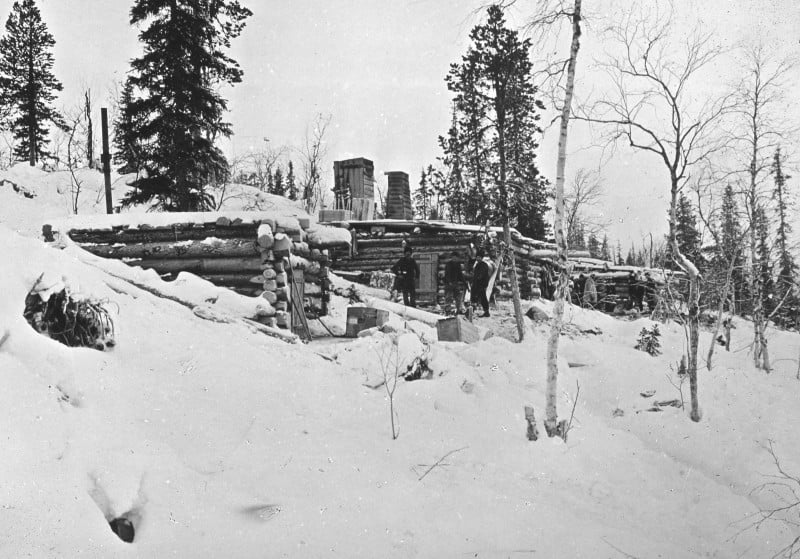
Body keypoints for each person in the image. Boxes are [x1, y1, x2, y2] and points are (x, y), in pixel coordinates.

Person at [444, 251, 466, 315]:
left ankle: (458, 310)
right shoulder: (448, 264)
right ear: (452, 257)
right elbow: (447, 274)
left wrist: (464, 282)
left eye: (456, 258)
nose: (455, 259)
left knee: (458, 297)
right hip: (449, 284)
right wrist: (449, 282)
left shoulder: (458, 264)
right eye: (453, 257)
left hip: (455, 283)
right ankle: (448, 311)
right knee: (448, 297)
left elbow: (460, 274)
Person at [470, 250, 491, 317]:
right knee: (473, 297)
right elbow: (475, 274)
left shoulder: (484, 265)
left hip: (481, 284)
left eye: (479, 257)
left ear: (482, 258)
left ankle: (486, 311)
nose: (477, 258)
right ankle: (471, 311)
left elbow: (482, 275)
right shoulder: (477, 265)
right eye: (477, 257)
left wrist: (478, 279)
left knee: (482, 297)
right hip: (476, 284)